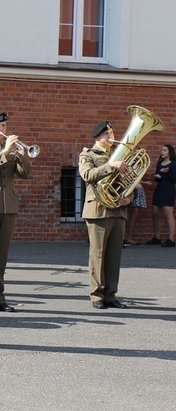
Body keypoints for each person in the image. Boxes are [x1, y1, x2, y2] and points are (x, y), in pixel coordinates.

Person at [78, 121, 131, 309]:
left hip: (118, 209)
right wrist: (111, 165)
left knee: (114, 255)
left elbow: (128, 182)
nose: (111, 137)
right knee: (98, 255)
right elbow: (87, 175)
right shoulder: (88, 154)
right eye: (107, 134)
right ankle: (96, 295)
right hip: (98, 210)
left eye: (112, 132)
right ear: (98, 137)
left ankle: (110, 294)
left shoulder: (119, 156)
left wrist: (129, 198)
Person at [0, 112, 31, 313]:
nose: (2, 130)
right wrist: (6, 152)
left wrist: (22, 156)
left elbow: (24, 174)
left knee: (1, 256)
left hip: (8, 206)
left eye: (4, 126)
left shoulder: (10, 148)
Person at [148, 145, 176, 247]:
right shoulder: (160, 163)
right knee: (155, 213)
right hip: (159, 189)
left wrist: (167, 172)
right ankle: (157, 237)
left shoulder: (173, 164)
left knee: (169, 214)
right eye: (161, 150)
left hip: (168, 190)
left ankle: (171, 239)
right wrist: (156, 176)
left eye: (164, 150)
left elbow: (174, 179)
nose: (162, 152)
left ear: (169, 152)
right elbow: (157, 177)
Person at [124, 181, 149, 247]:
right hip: (135, 190)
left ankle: (128, 237)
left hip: (136, 190)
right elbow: (134, 179)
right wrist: (145, 183)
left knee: (133, 216)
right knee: (133, 216)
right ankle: (128, 238)